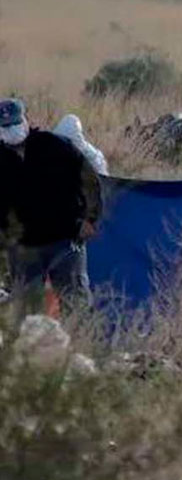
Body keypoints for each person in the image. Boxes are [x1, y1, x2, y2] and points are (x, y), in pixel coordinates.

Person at [0, 98, 103, 318]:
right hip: (23, 248)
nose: (12, 130)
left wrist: (90, 218)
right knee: (28, 312)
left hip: (65, 240)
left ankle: (79, 339)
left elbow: (90, 181)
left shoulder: (56, 146)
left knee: (76, 305)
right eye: (5, 126)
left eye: (15, 123)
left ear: (26, 119)